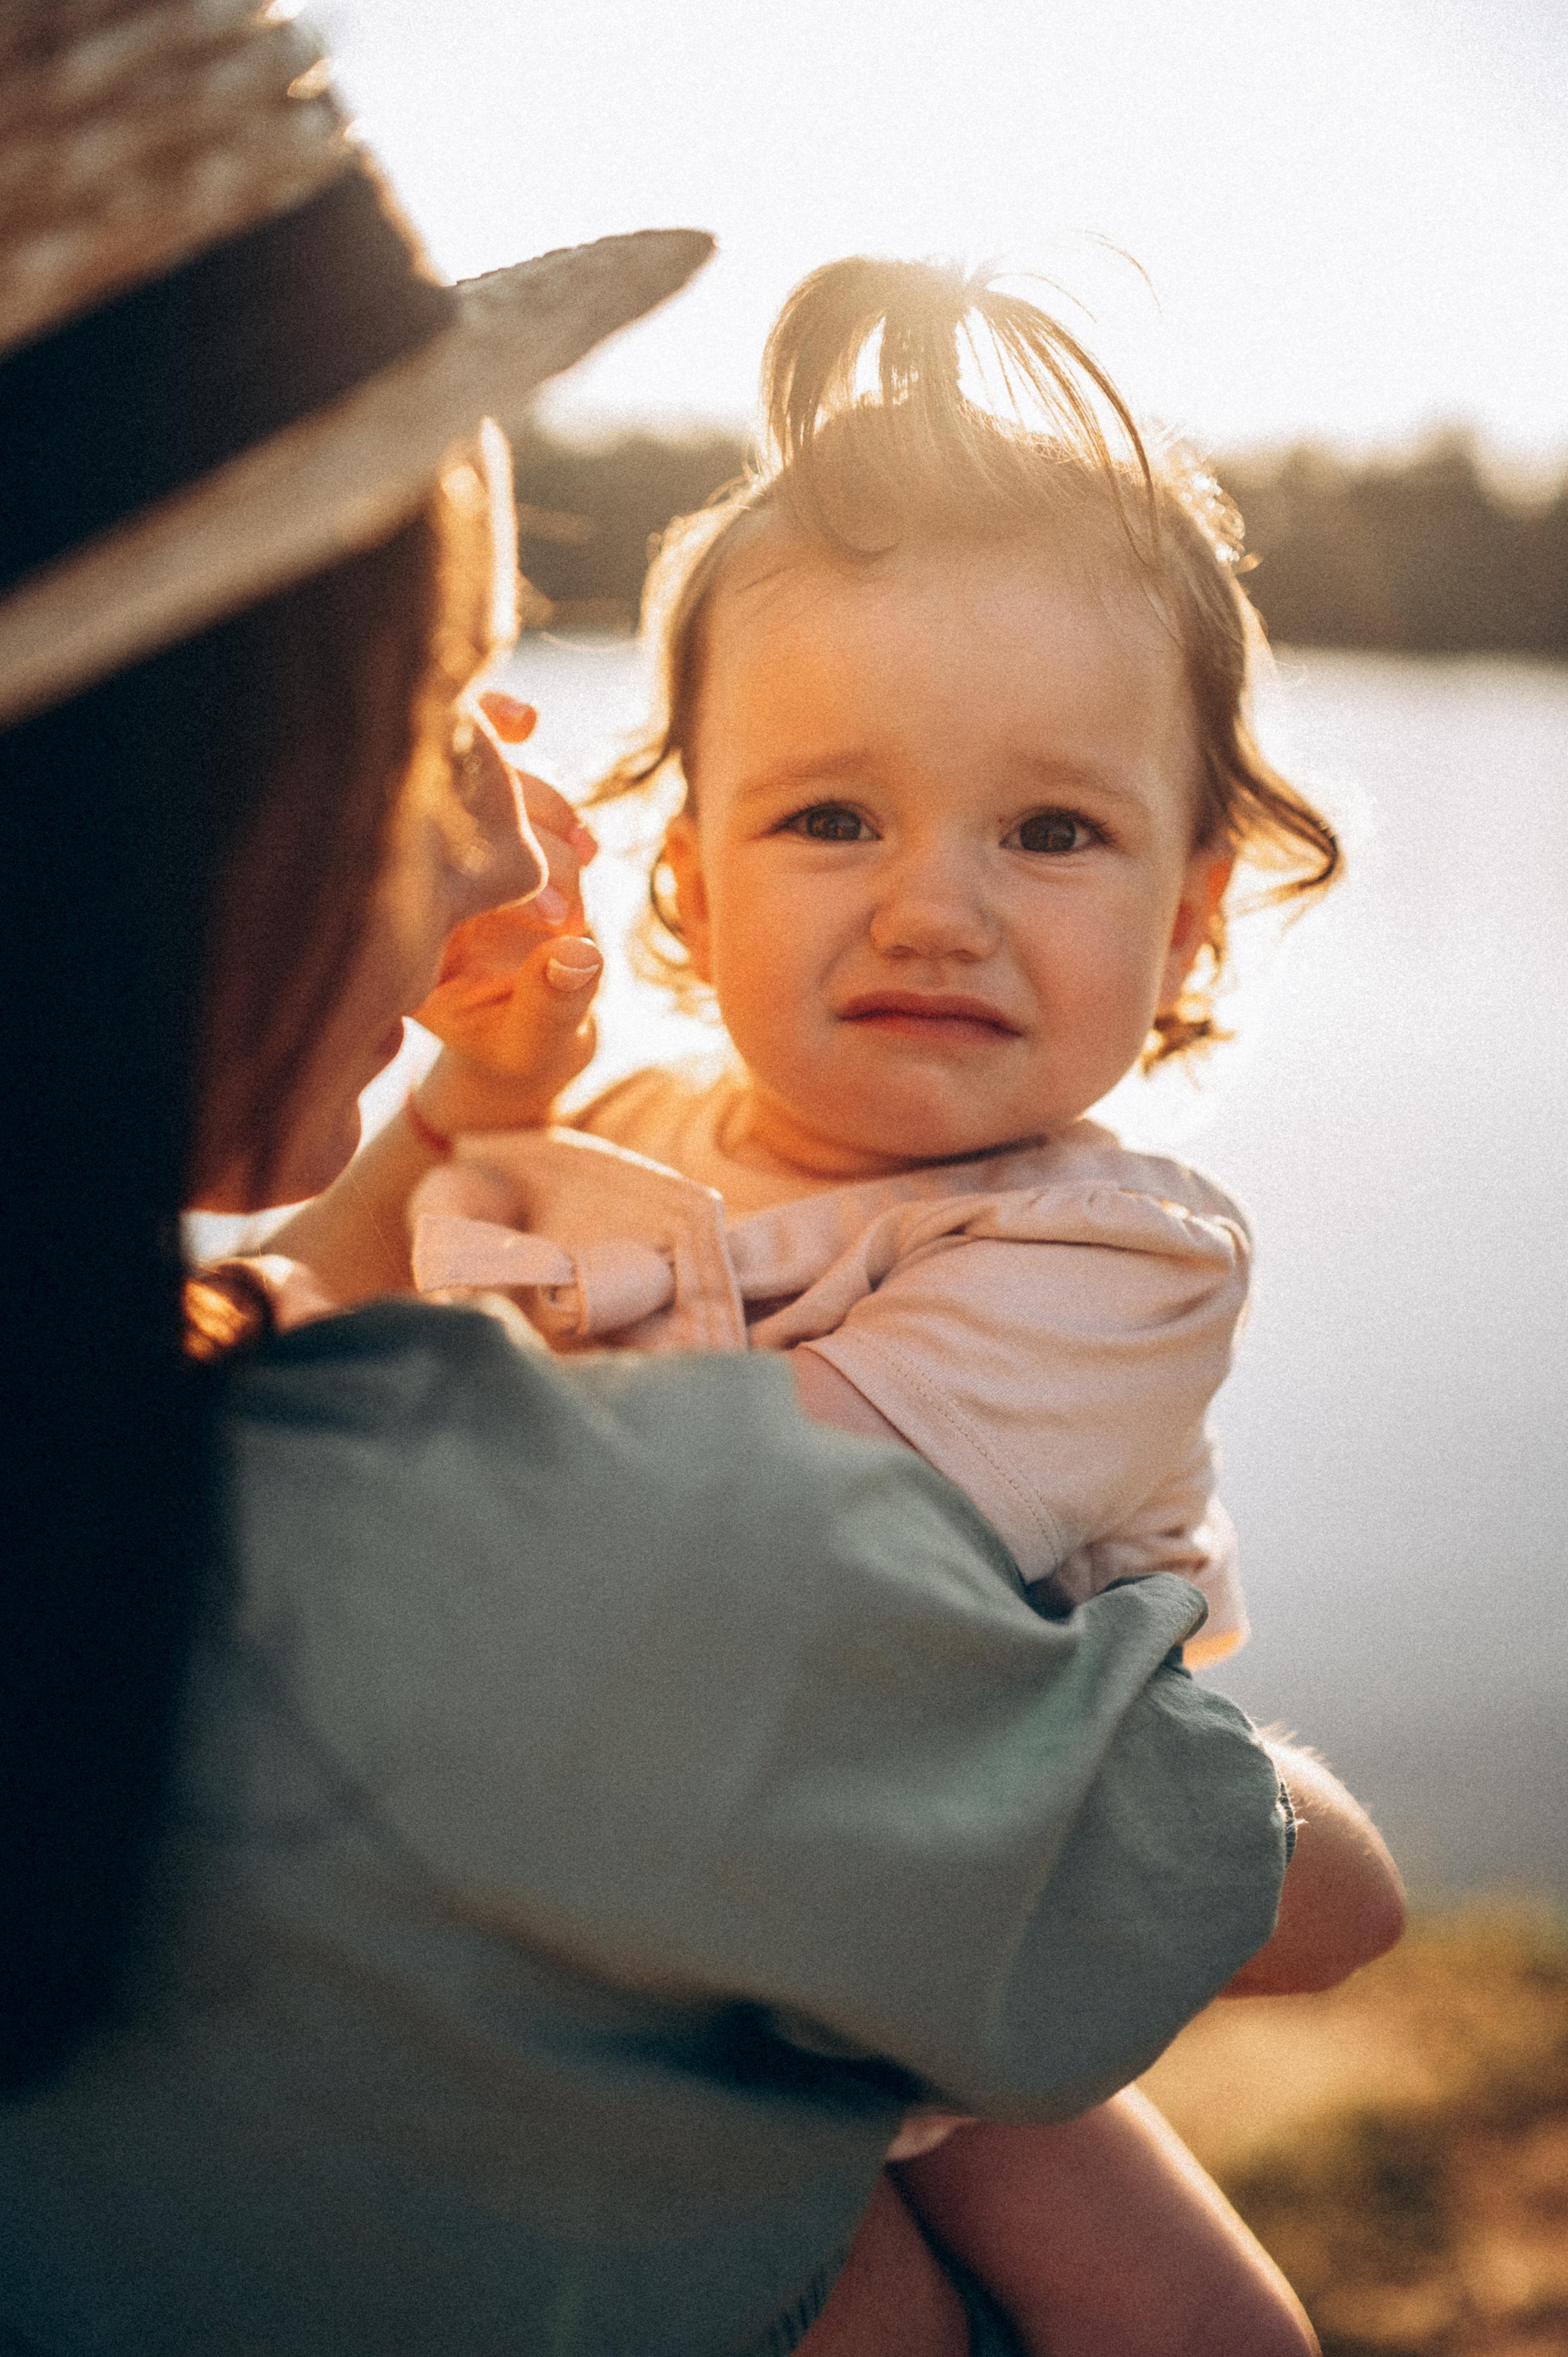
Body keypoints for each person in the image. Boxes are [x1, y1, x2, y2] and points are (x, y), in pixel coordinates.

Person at [0, 10, 1401, 2354]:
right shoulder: (559, 1475)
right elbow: (1298, 1884)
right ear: (192, 786)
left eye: (1052, 828)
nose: (504, 836)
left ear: (1189, 919)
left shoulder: (1107, 1246)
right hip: (902, 1877)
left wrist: (457, 1139)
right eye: (438, 710)